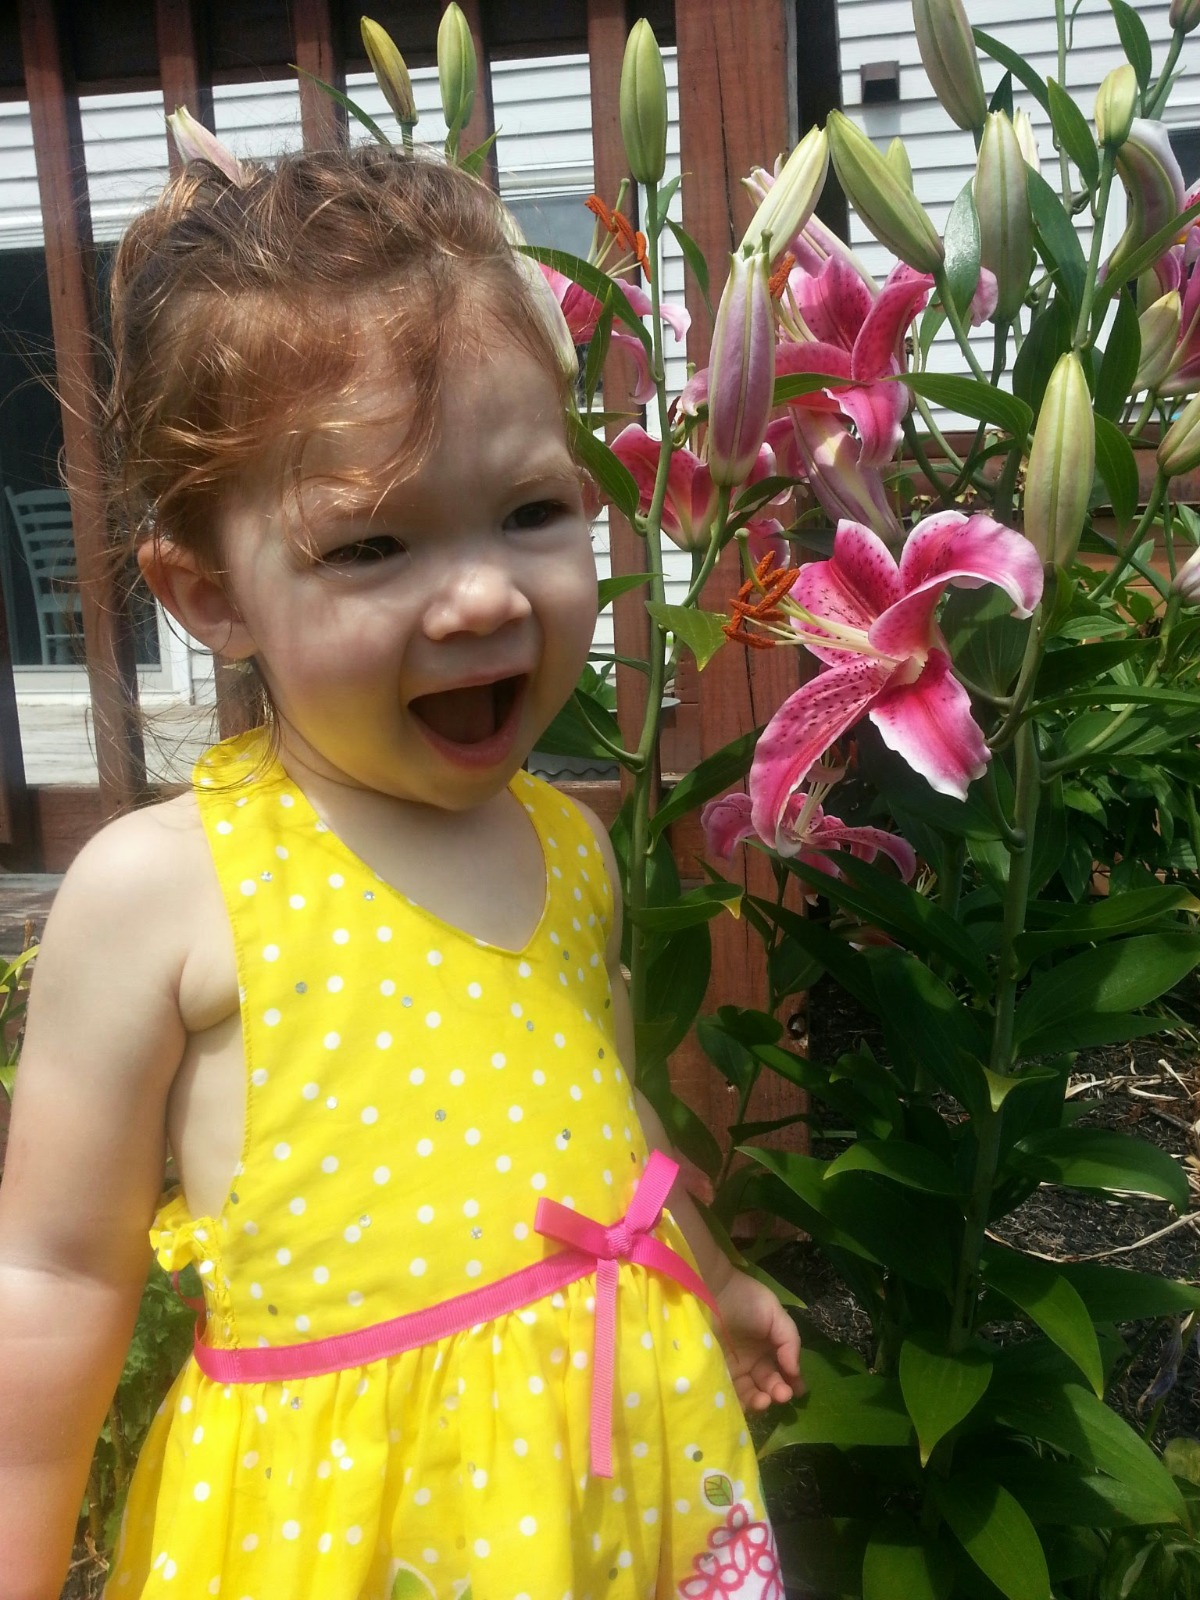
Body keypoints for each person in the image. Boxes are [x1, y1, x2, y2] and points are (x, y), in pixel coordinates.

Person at [0, 143, 801, 1600]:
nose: (485, 592)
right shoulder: (166, 891)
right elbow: (50, 1275)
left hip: (619, 1487)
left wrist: (713, 1274)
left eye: (531, 513)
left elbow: (603, 1116)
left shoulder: (567, 848)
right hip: (358, 1534)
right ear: (211, 593)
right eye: (373, 543)